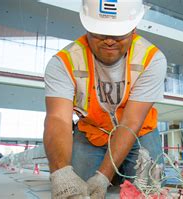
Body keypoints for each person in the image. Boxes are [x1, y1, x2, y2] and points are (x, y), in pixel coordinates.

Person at [43, 0, 167, 198]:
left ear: (133, 28)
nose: (109, 40)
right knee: (77, 187)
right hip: (92, 133)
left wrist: (104, 176)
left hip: (140, 131)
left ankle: (116, 175)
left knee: (149, 189)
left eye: (118, 33)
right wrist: (61, 172)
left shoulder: (152, 59)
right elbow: (58, 119)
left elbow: (131, 122)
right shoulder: (63, 62)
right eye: (100, 32)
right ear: (86, 26)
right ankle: (116, 175)